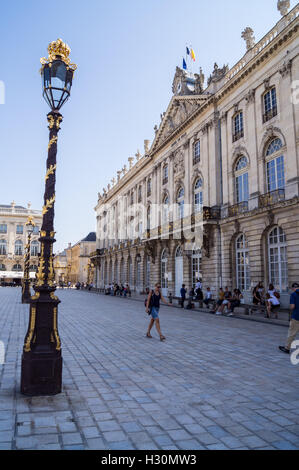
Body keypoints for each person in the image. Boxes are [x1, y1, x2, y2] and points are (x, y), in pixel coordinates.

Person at [279, 283, 299, 354]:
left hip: (296, 317)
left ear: (293, 288)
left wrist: (291, 307)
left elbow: (292, 306)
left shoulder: (293, 295)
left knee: (292, 333)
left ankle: (287, 348)